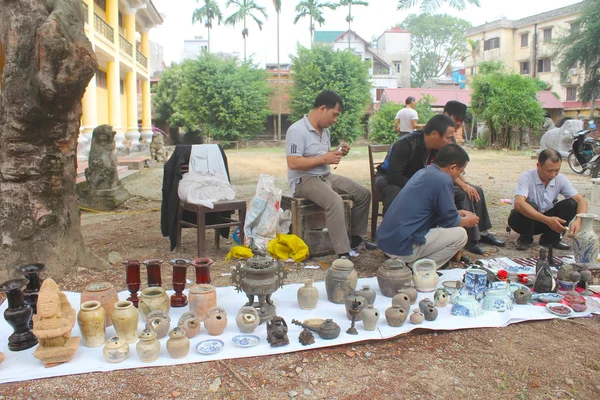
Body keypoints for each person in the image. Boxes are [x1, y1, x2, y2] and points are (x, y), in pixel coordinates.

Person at [286, 90, 374, 258]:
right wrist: (324, 158)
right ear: (322, 108)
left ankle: (355, 238)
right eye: (334, 115)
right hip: (303, 179)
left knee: (363, 194)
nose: (335, 120)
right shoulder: (296, 130)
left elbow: (322, 157)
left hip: (325, 176)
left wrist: (337, 152)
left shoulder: (325, 130)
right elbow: (293, 162)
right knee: (335, 201)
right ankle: (343, 253)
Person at [376, 144, 479, 268]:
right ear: (452, 168)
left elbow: (433, 211)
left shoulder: (423, 172)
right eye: (461, 171)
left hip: (387, 242)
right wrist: (468, 221)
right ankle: (419, 268)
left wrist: (459, 213)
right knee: (461, 235)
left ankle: (413, 263)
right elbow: (450, 221)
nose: (460, 175)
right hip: (401, 248)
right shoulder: (443, 180)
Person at [443, 100, 505, 255]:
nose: (458, 123)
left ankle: (483, 232)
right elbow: (443, 168)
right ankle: (471, 239)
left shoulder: (452, 137)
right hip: (441, 180)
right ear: (446, 115)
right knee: (465, 193)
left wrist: (466, 183)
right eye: (456, 119)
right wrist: (463, 185)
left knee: (477, 190)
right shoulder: (439, 133)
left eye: (461, 121)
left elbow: (456, 167)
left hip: (451, 177)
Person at [377, 114, 457, 214]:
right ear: (434, 134)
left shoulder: (438, 149)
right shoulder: (405, 144)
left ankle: (446, 225)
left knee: (451, 191)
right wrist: (421, 186)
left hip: (415, 180)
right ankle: (393, 227)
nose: (450, 142)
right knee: (395, 192)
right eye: (448, 138)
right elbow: (394, 176)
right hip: (388, 178)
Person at [508, 149, 587, 250]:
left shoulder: (561, 179)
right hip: (522, 221)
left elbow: (581, 201)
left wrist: (579, 220)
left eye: (557, 170)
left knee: (572, 204)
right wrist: (547, 220)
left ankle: (550, 239)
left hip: (546, 220)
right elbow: (518, 204)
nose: (553, 175)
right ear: (539, 166)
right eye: (549, 171)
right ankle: (525, 239)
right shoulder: (526, 177)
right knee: (530, 205)